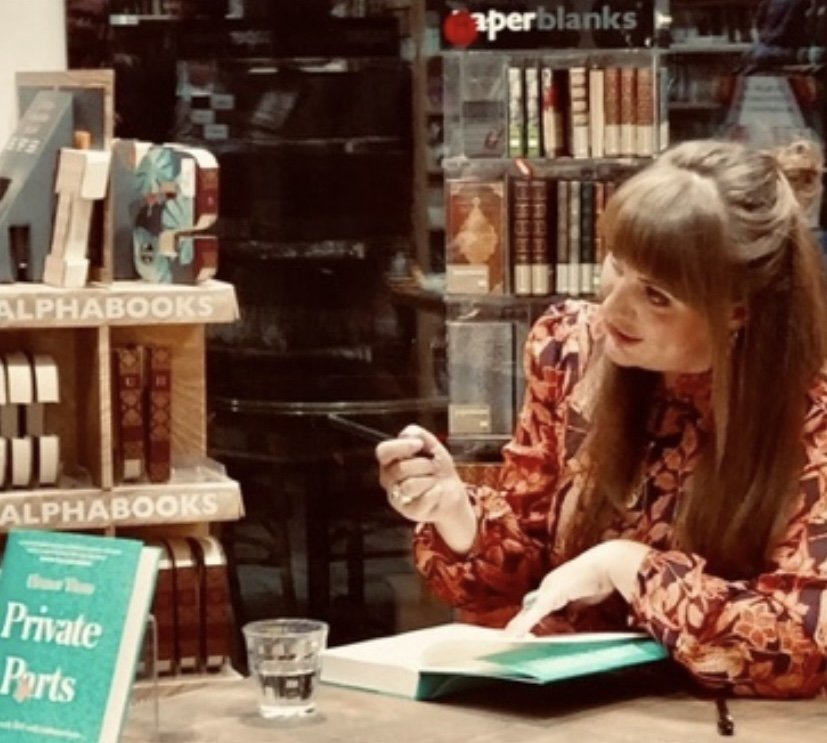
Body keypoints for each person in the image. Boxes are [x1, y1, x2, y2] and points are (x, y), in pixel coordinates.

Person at [376, 138, 827, 699]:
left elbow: (800, 646)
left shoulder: (813, 409)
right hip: (569, 710)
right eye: (616, 262)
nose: (611, 306)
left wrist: (631, 568)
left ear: (738, 311)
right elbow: (529, 558)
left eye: (656, 295)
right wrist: (455, 512)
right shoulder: (570, 348)